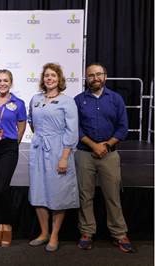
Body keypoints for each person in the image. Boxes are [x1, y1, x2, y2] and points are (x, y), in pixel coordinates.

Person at [74, 63, 134, 253]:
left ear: (105, 76)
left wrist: (106, 145)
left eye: (99, 74)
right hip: (85, 153)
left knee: (113, 195)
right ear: (86, 78)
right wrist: (94, 146)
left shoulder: (116, 99)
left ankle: (119, 234)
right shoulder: (78, 100)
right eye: (91, 75)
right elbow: (76, 129)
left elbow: (123, 127)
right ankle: (87, 232)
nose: (95, 78)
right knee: (85, 195)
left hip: (109, 154)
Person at [28, 63, 79, 252]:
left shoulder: (67, 102)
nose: (49, 79)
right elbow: (32, 123)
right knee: (38, 191)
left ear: (59, 79)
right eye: (47, 76)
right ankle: (44, 233)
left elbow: (72, 131)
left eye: (53, 76)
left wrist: (65, 156)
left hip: (59, 150)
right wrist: (41, 138)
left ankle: (55, 235)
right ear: (43, 79)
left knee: (58, 193)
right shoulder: (35, 99)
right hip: (39, 149)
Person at [0, 69, 27, 247]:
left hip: (9, 147)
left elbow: (21, 125)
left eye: (5, 80)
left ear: (11, 82)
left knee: (2, 187)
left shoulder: (19, 103)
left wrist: (14, 143)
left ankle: (7, 226)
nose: (2, 83)